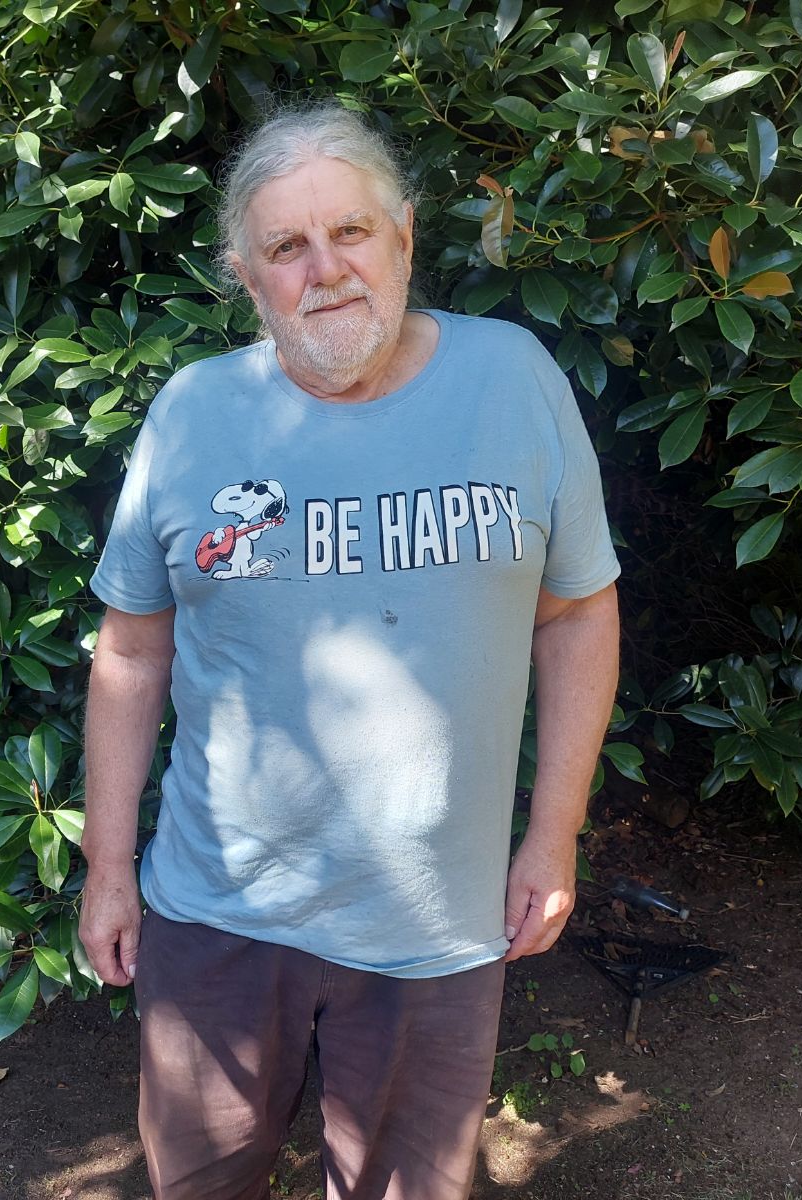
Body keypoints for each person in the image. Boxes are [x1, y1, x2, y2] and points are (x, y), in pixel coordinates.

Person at [79, 103, 621, 1200]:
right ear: (246, 274)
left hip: (435, 923)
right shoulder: (192, 416)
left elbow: (575, 617)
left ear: (406, 237)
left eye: (353, 233)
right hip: (217, 915)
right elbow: (131, 654)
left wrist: (552, 835)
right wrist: (107, 865)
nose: (326, 270)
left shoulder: (512, 381)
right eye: (287, 247)